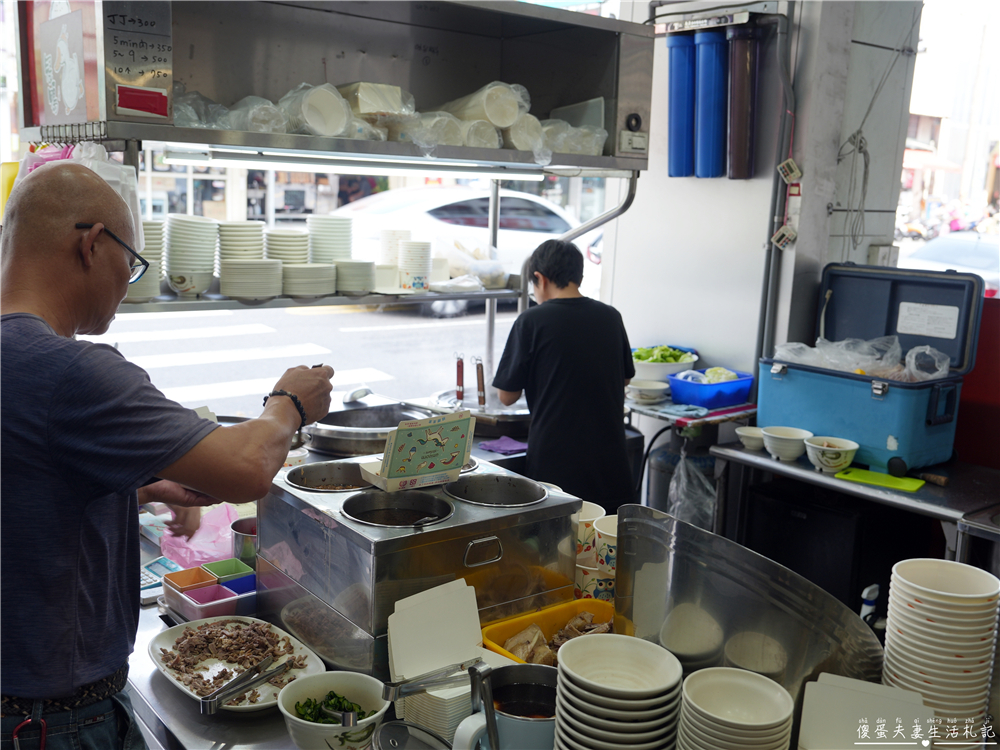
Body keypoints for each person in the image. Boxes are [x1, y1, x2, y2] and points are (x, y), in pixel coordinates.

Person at [0, 162, 335, 749]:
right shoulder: (71, 369)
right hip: (53, 721)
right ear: (93, 244)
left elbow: (23, 485)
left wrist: (139, 488)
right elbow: (247, 468)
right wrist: (289, 403)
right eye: (131, 265)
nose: (127, 284)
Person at [492, 239, 635, 514]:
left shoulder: (532, 321)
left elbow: (507, 396)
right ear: (578, 276)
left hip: (557, 462)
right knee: (603, 546)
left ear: (539, 279)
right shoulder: (610, 316)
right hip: (609, 462)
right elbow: (625, 379)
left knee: (555, 547)